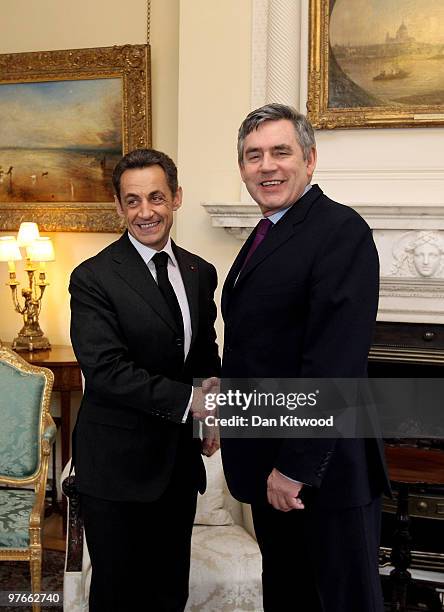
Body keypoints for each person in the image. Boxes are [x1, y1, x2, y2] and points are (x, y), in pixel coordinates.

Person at [220, 104, 390, 612]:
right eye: (253, 156)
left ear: (310, 160)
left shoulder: (340, 231)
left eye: (280, 152)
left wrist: (294, 467)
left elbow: (333, 362)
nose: (266, 166)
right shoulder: (266, 231)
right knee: (290, 598)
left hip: (322, 471)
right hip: (274, 466)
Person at [69, 148, 220, 612]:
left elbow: (203, 354)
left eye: (156, 197)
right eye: (132, 201)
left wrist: (210, 411)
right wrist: (191, 401)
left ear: (176, 198)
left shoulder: (199, 272)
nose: (145, 212)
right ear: (118, 207)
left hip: (176, 468)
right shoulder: (92, 278)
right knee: (119, 596)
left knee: (169, 592)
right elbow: (107, 371)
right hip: (116, 471)